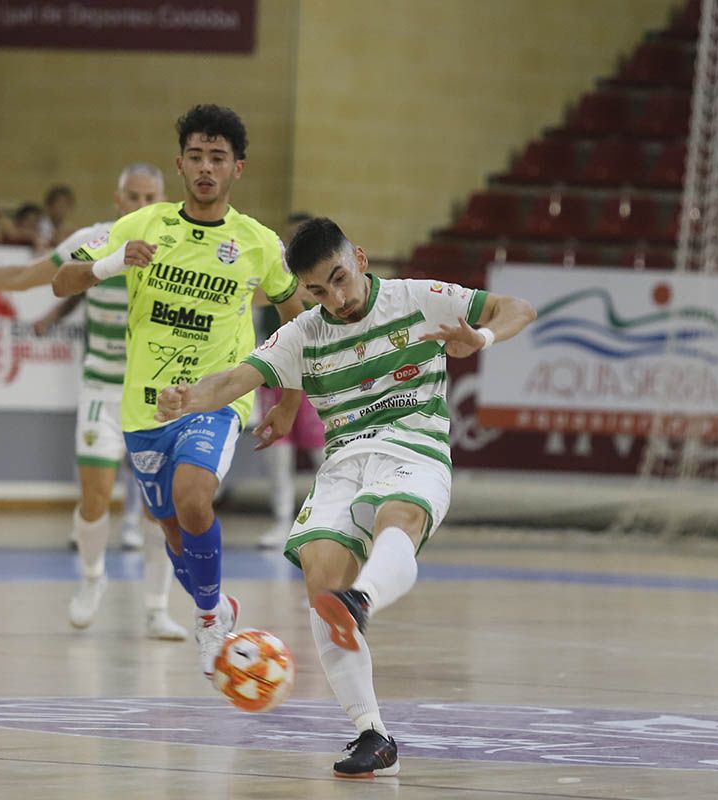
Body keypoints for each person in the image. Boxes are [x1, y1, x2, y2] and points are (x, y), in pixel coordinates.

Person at [153, 216, 536, 776]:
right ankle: (372, 735)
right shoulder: (304, 332)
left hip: (414, 447)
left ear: (358, 257)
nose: (335, 298)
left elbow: (518, 307)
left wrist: (480, 337)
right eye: (317, 290)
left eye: (340, 278)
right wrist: (186, 399)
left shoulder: (419, 298)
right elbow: (235, 380)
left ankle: (363, 601)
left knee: (395, 519)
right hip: (343, 463)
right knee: (319, 576)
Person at [52, 104, 307, 677]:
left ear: (237, 168)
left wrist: (288, 401)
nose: (206, 168)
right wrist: (111, 263)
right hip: (143, 405)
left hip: (216, 398)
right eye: (196, 156)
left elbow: (298, 319)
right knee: (170, 525)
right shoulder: (143, 225)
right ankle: (215, 604)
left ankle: (210, 619)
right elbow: (60, 279)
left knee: (194, 499)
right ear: (181, 164)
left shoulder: (257, 242)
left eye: (218, 158)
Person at [0, 163, 187, 641]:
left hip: (157, 394)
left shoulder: (182, 246)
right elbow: (22, 276)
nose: (141, 205)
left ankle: (158, 607)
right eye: (132, 197)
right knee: (95, 497)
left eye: (150, 197)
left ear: (162, 200)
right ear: (117, 201)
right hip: (102, 387)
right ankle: (92, 579)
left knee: (160, 509)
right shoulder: (94, 240)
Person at [256, 211, 326, 547]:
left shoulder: (326, 279)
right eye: (291, 236)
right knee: (277, 453)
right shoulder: (274, 276)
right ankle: (282, 520)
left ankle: (328, 518)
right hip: (279, 372)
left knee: (324, 452)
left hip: (316, 375)